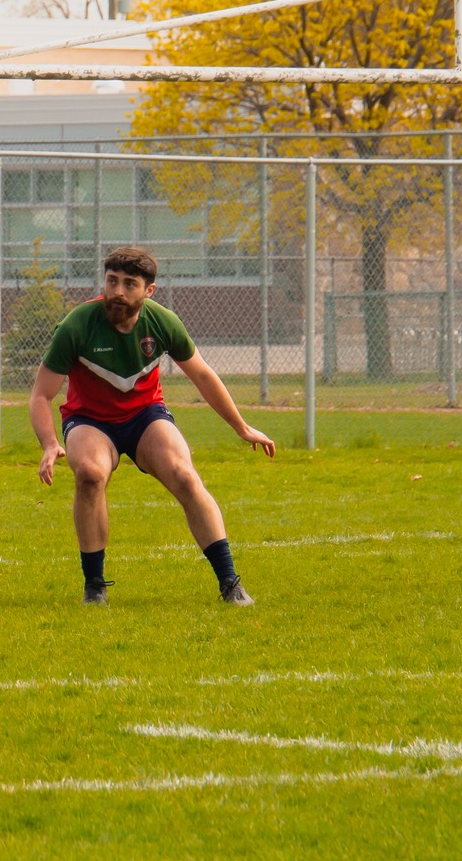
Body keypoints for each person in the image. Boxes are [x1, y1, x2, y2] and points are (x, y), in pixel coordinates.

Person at [29, 245, 276, 606]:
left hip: (145, 414)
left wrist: (241, 427)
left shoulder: (162, 322)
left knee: (184, 475)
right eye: (112, 281)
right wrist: (50, 443)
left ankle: (230, 584)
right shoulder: (77, 325)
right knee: (90, 475)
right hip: (90, 419)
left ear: (149, 290)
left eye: (130, 284)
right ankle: (95, 587)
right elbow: (40, 396)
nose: (118, 291)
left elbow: (203, 376)